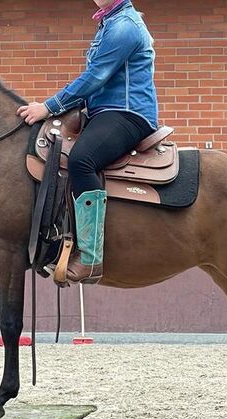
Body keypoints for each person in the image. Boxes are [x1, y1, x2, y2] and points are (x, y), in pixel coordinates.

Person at [18, 0, 159, 283]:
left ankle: (91, 258)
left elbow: (96, 77)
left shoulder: (124, 27)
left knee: (82, 159)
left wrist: (49, 106)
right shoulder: (108, 24)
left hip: (128, 113)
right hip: (103, 112)